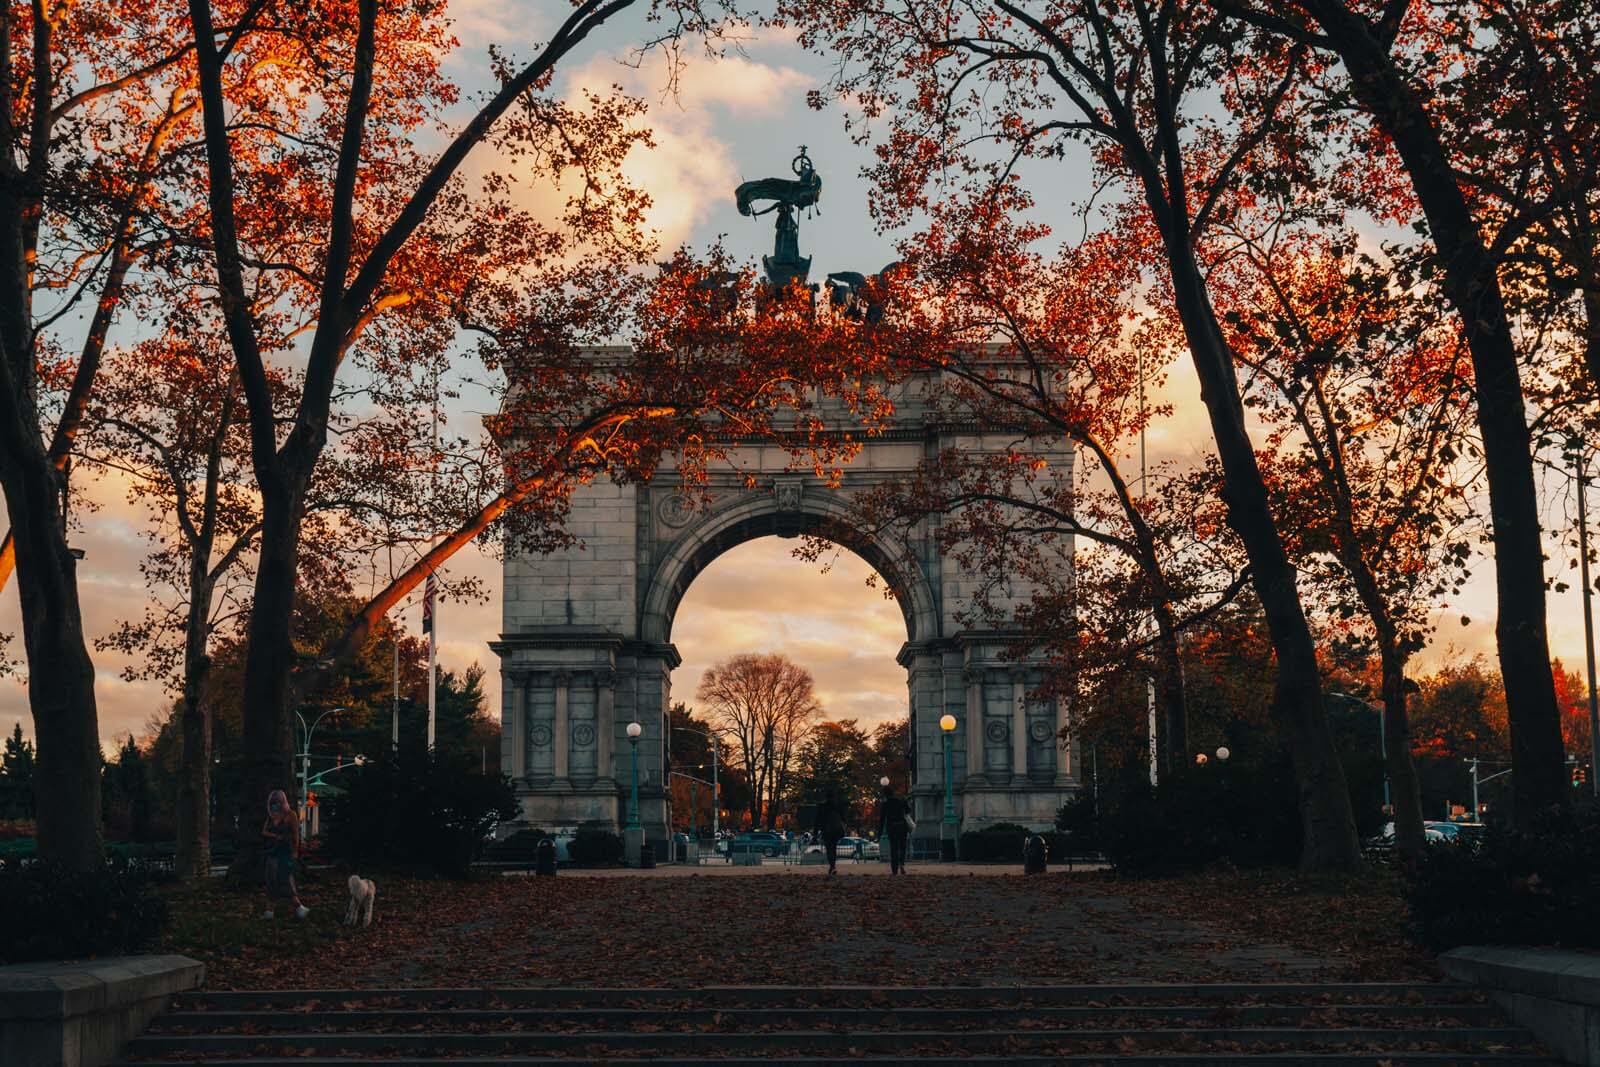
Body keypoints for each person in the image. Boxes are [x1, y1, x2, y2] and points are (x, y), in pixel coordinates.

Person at [262, 789, 310, 920]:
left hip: (285, 852)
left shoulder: (291, 815)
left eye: (277, 802)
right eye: (272, 803)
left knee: (285, 879)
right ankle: (270, 911)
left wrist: (295, 851)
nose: (274, 805)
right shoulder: (271, 816)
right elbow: (264, 832)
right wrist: (275, 836)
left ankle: (298, 907)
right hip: (272, 852)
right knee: (271, 880)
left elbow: (295, 835)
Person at [812, 789, 847, 875]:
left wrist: (815, 833)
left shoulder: (822, 806)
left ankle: (832, 866)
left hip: (826, 830)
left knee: (829, 848)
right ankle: (833, 865)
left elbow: (817, 820)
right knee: (833, 847)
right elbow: (844, 818)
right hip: (836, 830)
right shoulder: (838, 806)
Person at [879, 785, 912, 875]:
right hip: (902, 825)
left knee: (894, 848)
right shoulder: (901, 800)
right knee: (902, 846)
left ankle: (894, 869)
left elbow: (882, 819)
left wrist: (880, 832)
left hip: (892, 827)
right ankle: (902, 864)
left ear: (885, 794)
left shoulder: (885, 804)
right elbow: (908, 810)